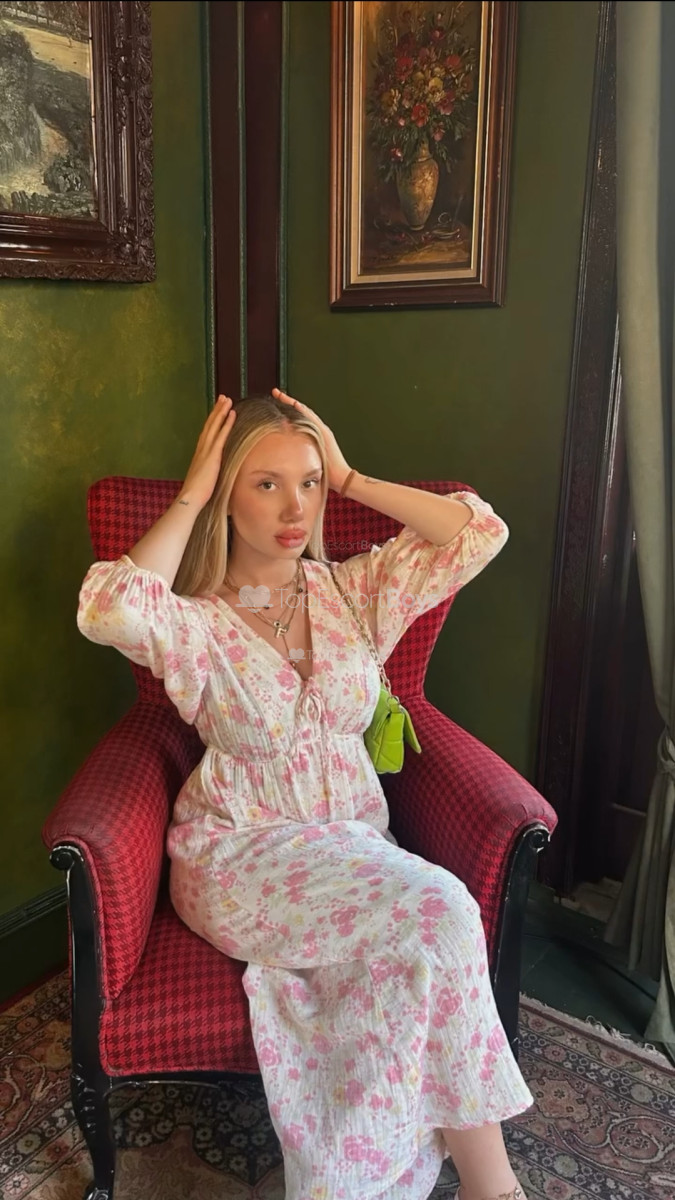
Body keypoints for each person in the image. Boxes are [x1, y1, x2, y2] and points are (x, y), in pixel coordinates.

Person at [77, 390, 532, 1200]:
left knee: (392, 976)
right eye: (266, 484)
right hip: (237, 854)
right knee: (442, 911)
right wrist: (193, 492)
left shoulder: (353, 595)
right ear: (228, 495)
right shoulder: (192, 624)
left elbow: (478, 531)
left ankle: (358, 1183)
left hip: (349, 849)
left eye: (309, 483)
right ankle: (494, 1189)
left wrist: (352, 478)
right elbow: (108, 606)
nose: (297, 508)